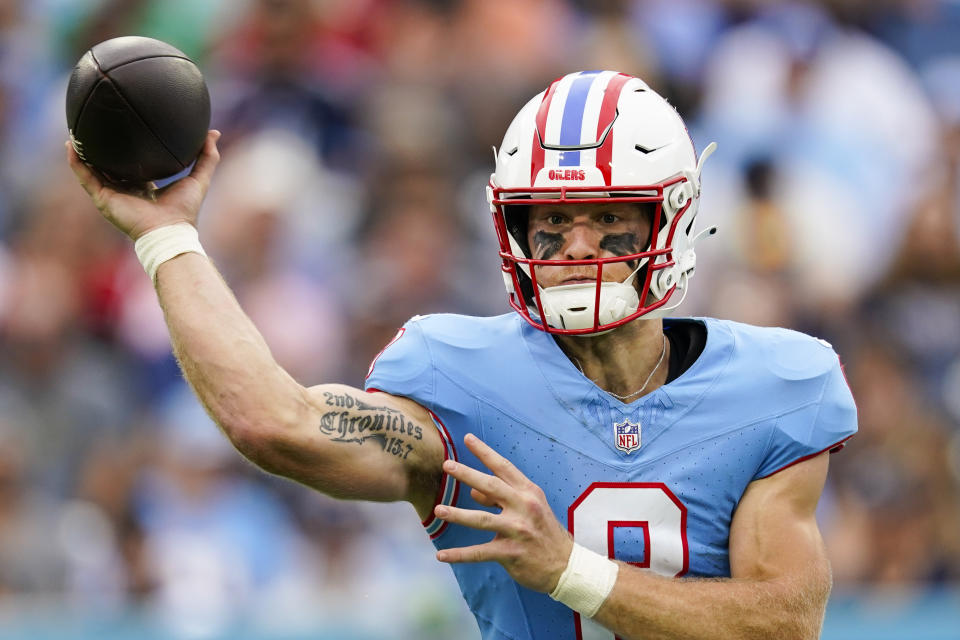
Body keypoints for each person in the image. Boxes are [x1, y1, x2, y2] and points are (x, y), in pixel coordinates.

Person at [68, 70, 857, 640]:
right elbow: (276, 423)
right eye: (549, 220)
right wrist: (168, 237)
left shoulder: (776, 385)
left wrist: (567, 571)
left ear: (670, 221)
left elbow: (782, 625)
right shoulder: (461, 380)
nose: (575, 247)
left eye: (607, 217)